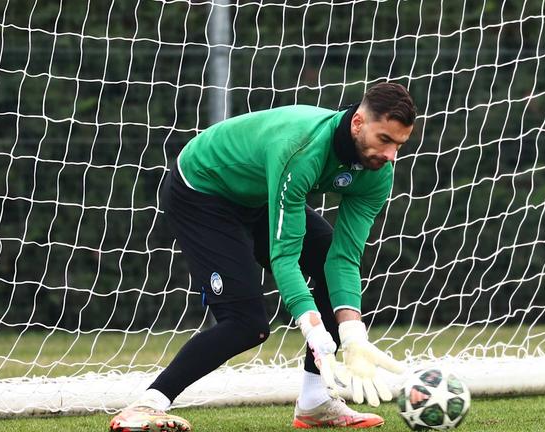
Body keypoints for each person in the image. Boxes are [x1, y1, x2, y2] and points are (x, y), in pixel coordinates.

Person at [109, 82, 416, 431]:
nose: (392, 155)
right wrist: (313, 329)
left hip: (257, 195)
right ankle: (146, 405)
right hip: (203, 190)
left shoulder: (378, 174)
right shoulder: (302, 150)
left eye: (399, 145)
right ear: (358, 124)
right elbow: (284, 255)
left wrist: (352, 333)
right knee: (247, 324)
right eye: (385, 140)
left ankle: (315, 402)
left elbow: (343, 259)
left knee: (327, 261)